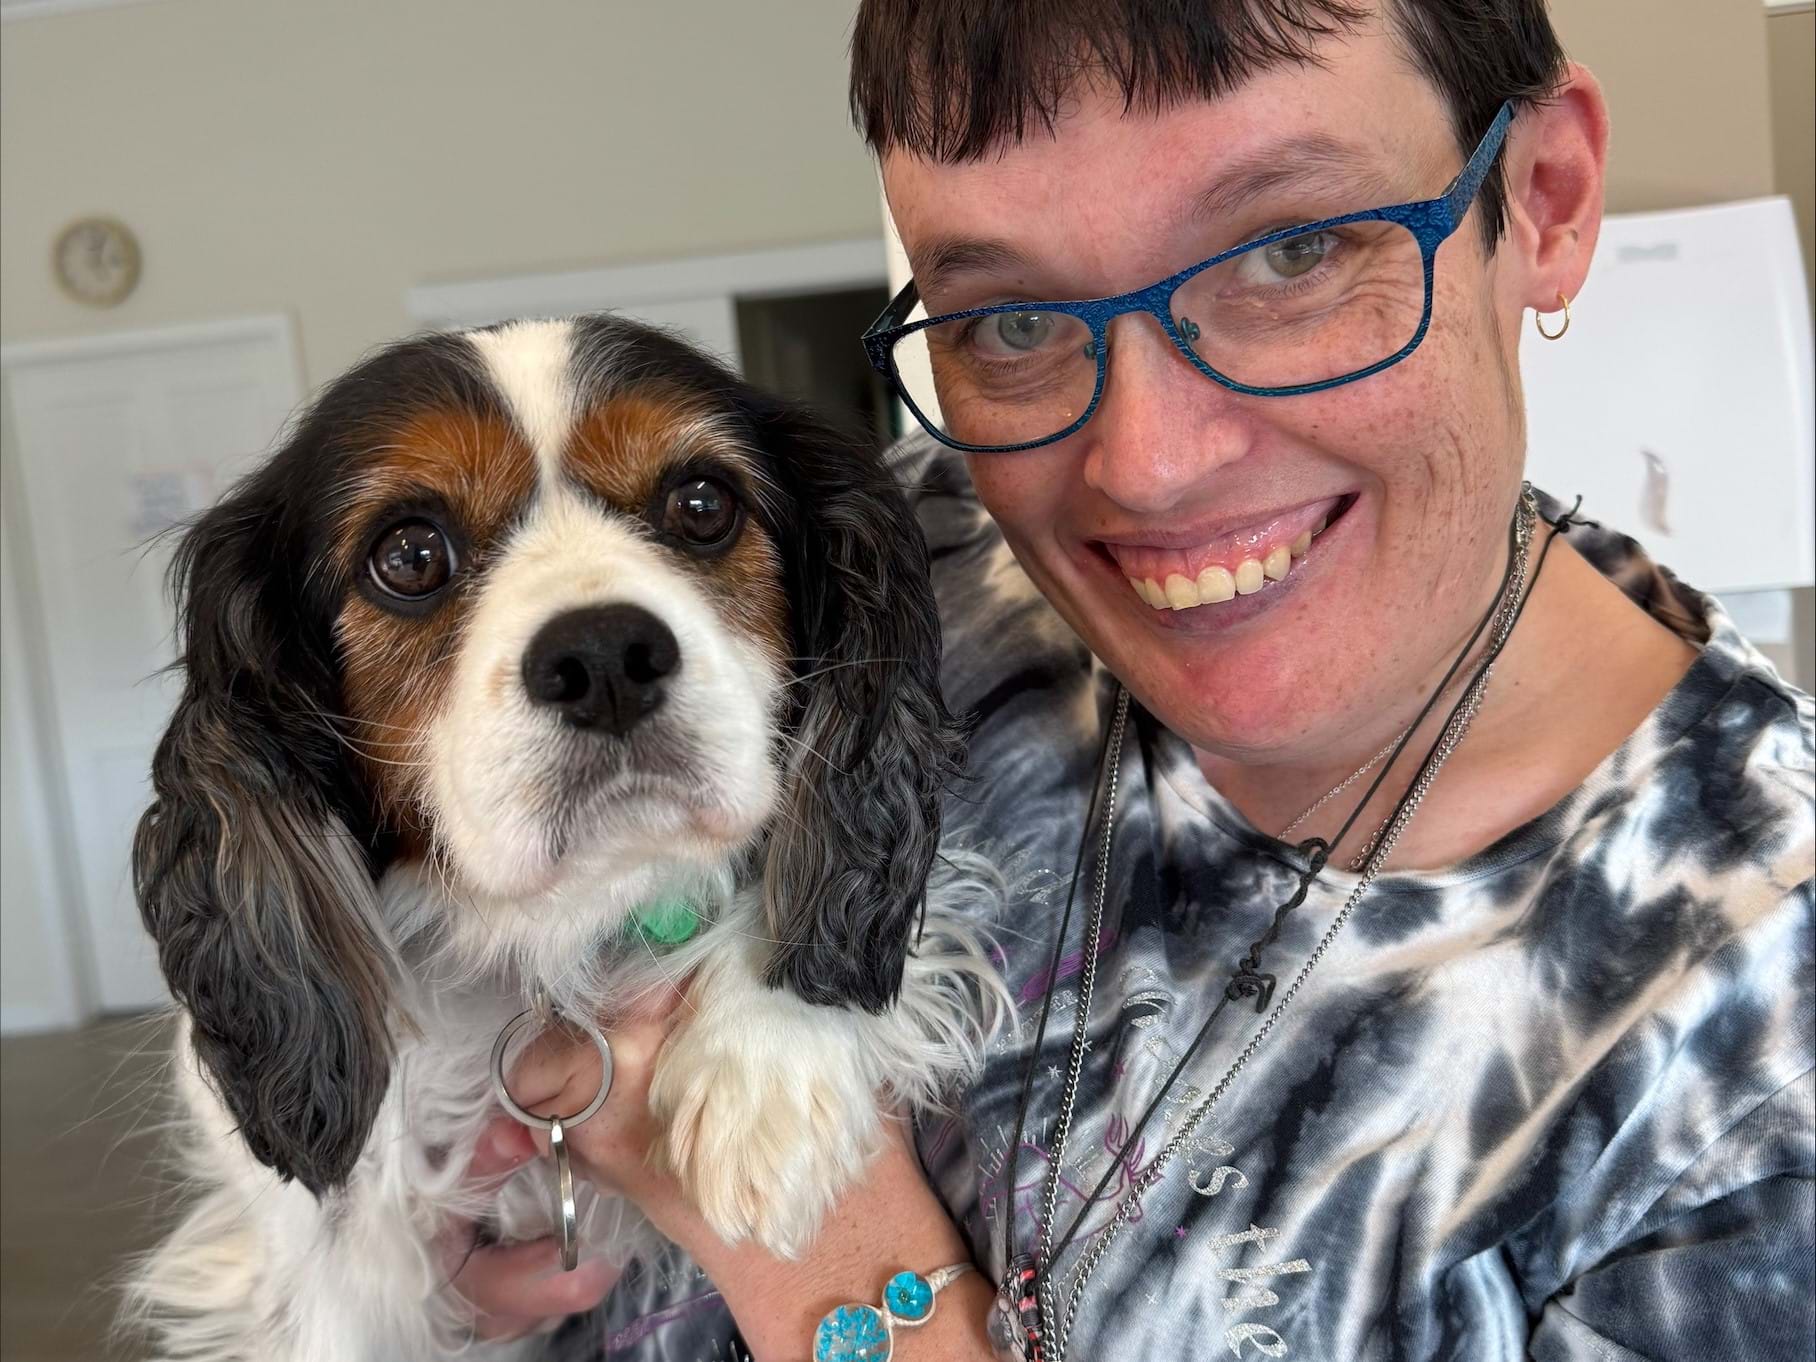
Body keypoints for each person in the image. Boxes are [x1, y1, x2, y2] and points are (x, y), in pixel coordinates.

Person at [452, 3, 1816, 1358]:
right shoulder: (872, 597)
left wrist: (829, 1257)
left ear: (1545, 198)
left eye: (1291, 252)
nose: (1148, 461)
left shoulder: (1758, 1071)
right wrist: (441, 1234)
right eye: (1009, 321)